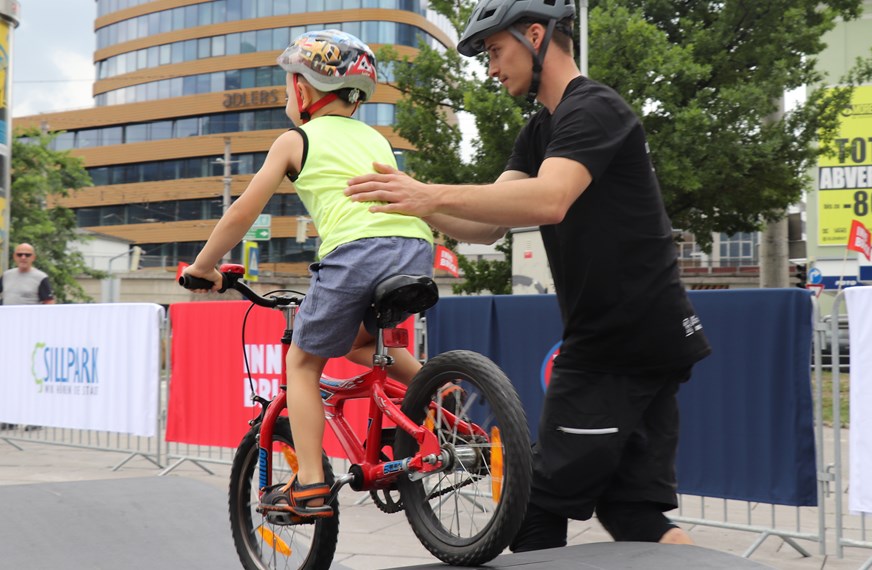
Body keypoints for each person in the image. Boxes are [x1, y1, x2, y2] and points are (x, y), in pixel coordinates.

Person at [344, 0, 712, 552]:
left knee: (532, 506)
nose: (491, 67)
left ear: (536, 34)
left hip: (617, 342)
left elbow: (552, 198)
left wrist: (430, 194)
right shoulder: (543, 129)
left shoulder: (593, 109)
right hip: (648, 336)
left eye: (496, 51)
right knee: (633, 513)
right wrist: (414, 202)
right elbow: (487, 224)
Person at [180, 29, 434, 520]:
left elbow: (241, 214)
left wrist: (202, 267)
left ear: (304, 87)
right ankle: (444, 410)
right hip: (415, 248)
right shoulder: (374, 137)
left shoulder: (296, 139)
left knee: (301, 363)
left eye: (289, 82)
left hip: (357, 255)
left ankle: (313, 484)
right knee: (362, 343)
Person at [1, 243, 55, 430]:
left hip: (31, 335)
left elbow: (49, 303)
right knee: (10, 376)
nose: (23, 258)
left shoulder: (40, 278)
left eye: (27, 254)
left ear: (34, 257)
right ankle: (10, 417)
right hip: (9, 335)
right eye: (20, 254)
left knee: (32, 377)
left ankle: (36, 417)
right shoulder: (7, 276)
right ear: (14, 256)